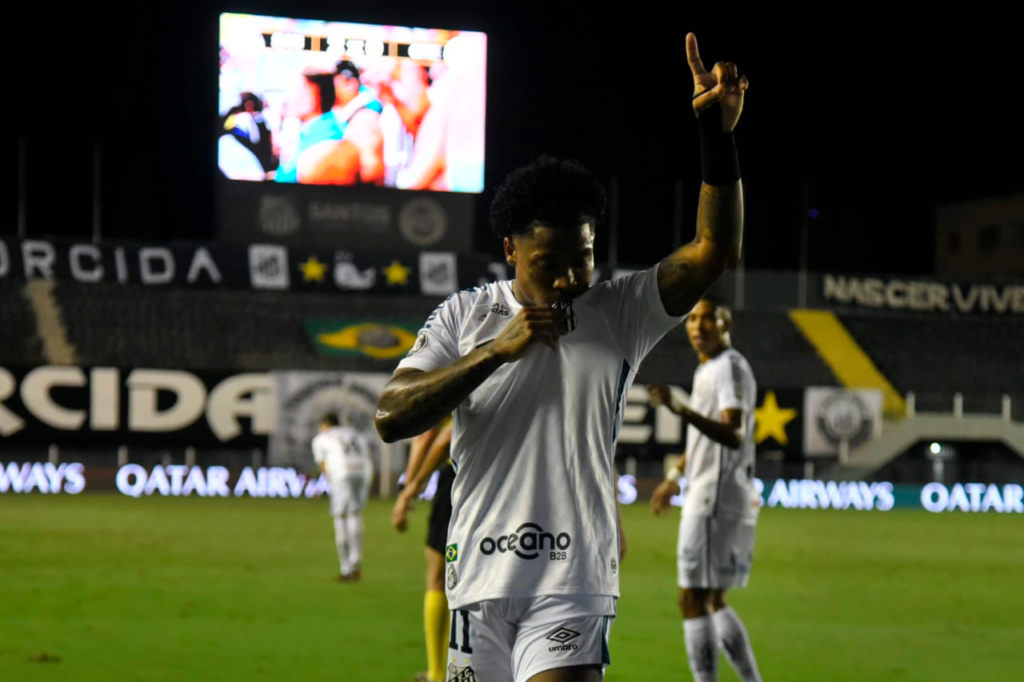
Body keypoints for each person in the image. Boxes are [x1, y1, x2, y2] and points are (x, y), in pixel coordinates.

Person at [375, 33, 748, 682]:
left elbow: (714, 249)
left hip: (574, 576)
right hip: (478, 579)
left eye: (584, 256)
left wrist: (715, 135)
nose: (572, 276)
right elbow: (391, 415)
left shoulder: (620, 309)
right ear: (511, 251)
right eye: (551, 263)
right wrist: (495, 352)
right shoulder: (466, 317)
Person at [648, 298, 762, 682]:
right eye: (692, 318)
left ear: (726, 322)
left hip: (714, 495)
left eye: (708, 318)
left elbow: (733, 433)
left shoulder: (726, 367)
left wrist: (681, 410)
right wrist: (675, 475)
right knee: (712, 599)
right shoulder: (711, 368)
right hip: (717, 490)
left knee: (690, 598)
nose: (698, 325)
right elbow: (704, 441)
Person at [393, 419, 456, 682]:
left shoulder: (452, 380)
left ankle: (438, 674)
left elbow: (433, 438)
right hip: (507, 479)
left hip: (459, 476)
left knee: (438, 574)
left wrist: (411, 486)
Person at [311, 412, 373, 582]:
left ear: (325, 424)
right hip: (361, 472)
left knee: (340, 516)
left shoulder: (321, 438)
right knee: (355, 513)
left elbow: (323, 464)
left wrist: (330, 482)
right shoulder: (354, 434)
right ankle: (355, 561)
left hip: (341, 474)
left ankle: (346, 567)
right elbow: (366, 456)